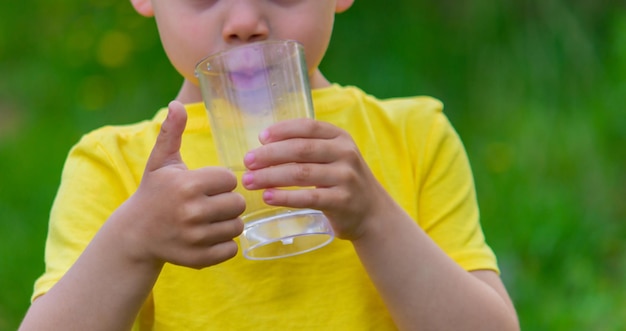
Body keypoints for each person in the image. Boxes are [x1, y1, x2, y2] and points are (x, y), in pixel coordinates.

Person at [20, 0, 519, 330]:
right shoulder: (114, 166)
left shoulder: (414, 136)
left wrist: (375, 219)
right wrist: (132, 242)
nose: (244, 21)